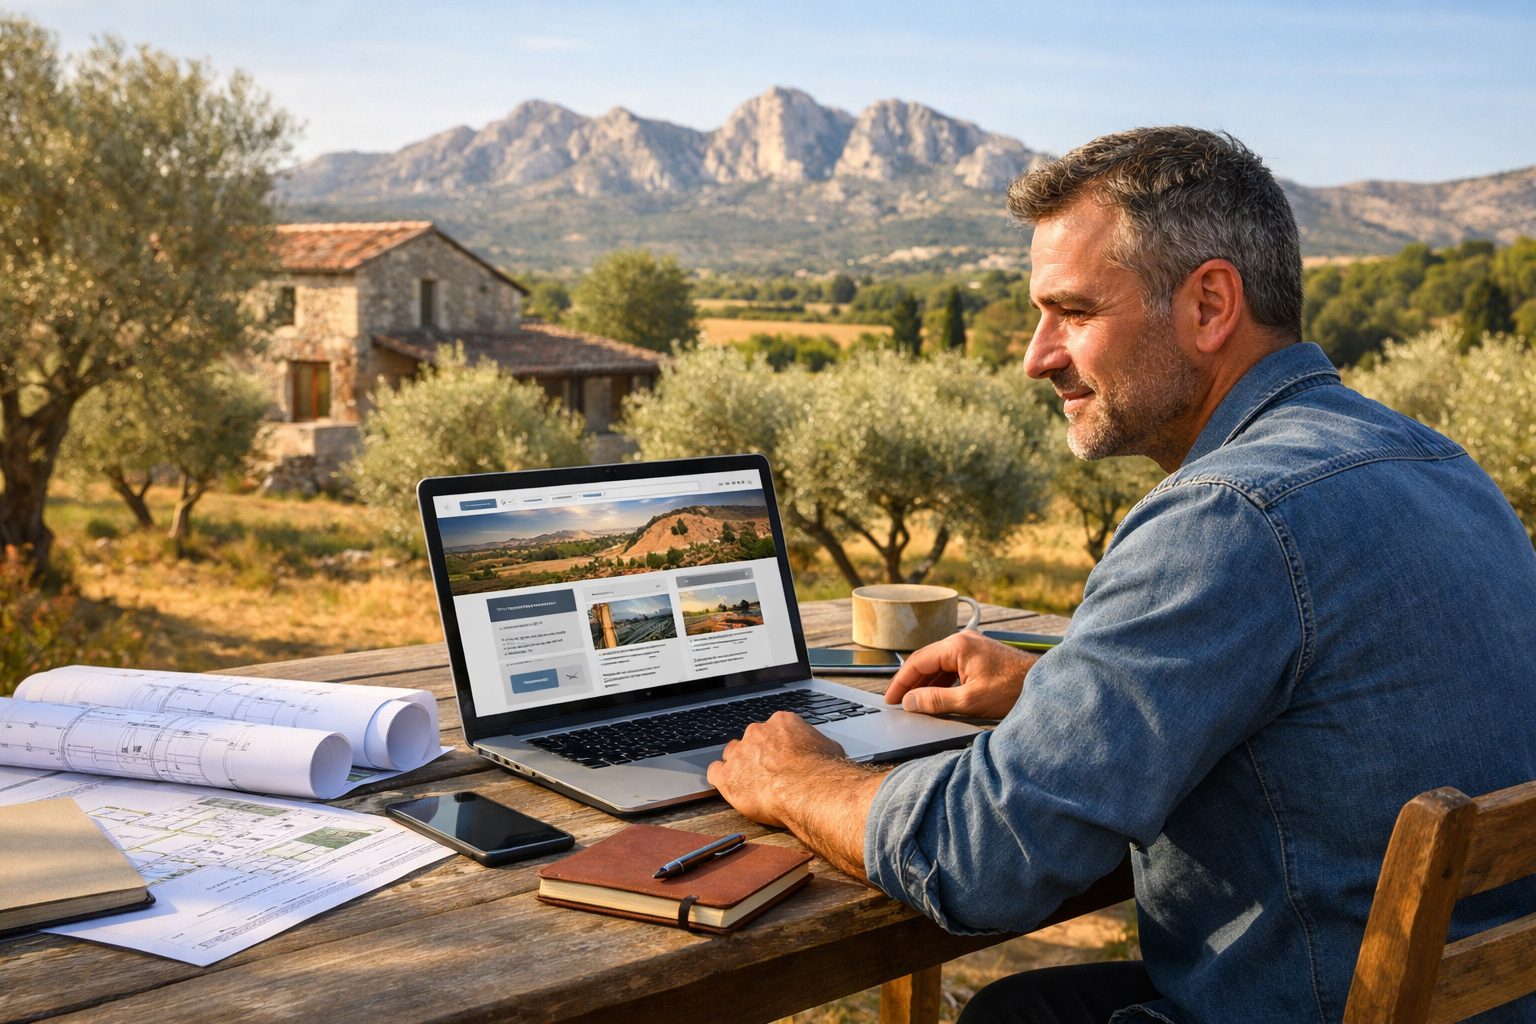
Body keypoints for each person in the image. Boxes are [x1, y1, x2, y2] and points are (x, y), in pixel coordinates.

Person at [708, 127, 1536, 1024]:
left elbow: (983, 861)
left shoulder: (1228, 515)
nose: (1037, 354)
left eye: (1073, 311)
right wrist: (1056, 689)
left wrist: (801, 780)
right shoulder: (1438, 464)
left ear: (1210, 304)